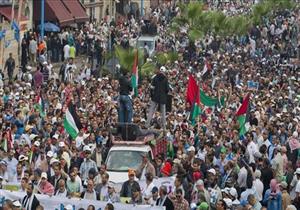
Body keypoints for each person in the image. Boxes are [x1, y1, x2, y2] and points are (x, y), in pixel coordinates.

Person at [146, 66, 169, 132]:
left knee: (151, 111)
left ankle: (147, 125)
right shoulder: (165, 79)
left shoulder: (155, 77)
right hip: (162, 98)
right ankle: (164, 127)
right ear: (164, 71)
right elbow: (167, 89)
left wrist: (152, 95)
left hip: (155, 97)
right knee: (163, 113)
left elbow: (151, 87)